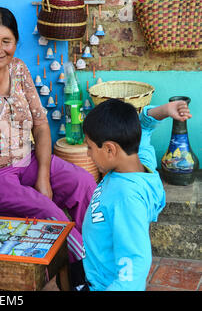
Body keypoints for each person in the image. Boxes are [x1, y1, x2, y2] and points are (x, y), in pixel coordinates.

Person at [0, 7, 97, 263]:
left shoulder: (18, 69)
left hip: (27, 160)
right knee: (47, 212)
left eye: (7, 41)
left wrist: (43, 175)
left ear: (15, 42)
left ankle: (96, 251)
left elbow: (41, 126)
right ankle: (84, 270)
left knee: (83, 184)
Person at [80, 99, 192, 291]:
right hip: (94, 265)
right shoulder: (139, 159)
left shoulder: (127, 199)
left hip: (103, 284)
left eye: (90, 147)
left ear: (109, 149)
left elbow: (134, 266)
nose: (88, 154)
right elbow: (144, 128)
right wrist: (165, 110)